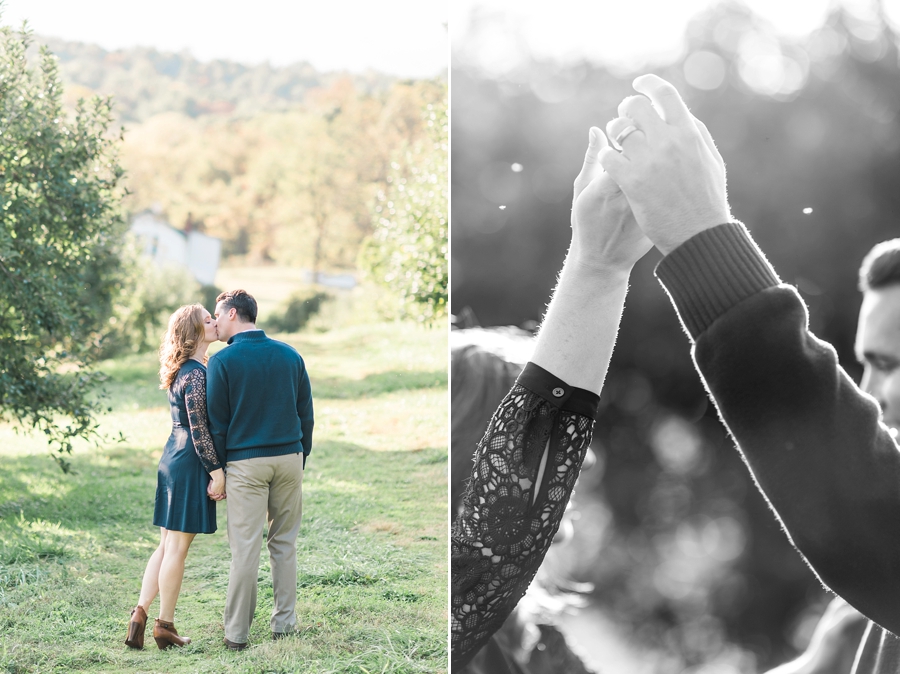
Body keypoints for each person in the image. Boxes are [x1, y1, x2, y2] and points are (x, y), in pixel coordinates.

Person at [596, 74, 900, 673]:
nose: (872, 395)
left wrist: (702, 239)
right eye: (867, 363)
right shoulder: (866, 616)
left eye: (893, 366)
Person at [451, 123, 652, 670]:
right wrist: (598, 266)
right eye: (536, 437)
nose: (583, 459)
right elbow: (484, 555)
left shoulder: (543, 648)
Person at [206, 289, 314, 651]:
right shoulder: (289, 354)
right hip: (290, 458)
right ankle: (284, 624)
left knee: (246, 548)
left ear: (233, 314)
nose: (215, 323)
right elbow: (306, 414)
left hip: (245, 464)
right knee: (284, 544)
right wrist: (300, 457)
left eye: (217, 316)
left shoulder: (222, 362)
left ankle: (236, 634)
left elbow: (217, 424)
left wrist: (218, 470)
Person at [125, 304, 226, 650]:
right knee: (177, 550)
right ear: (195, 332)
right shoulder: (196, 374)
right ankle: (164, 625)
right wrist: (218, 473)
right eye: (208, 321)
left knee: (167, 544)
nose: (215, 323)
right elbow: (201, 432)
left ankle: (139, 614)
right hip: (189, 461)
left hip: (172, 455)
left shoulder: (185, 369)